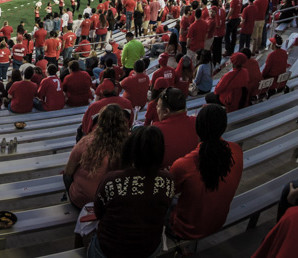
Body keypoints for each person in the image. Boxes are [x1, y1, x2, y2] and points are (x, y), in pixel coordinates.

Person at [90, 126, 175, 258]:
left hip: (109, 250)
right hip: (148, 249)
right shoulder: (168, 180)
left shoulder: (112, 180)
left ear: (130, 149)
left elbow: (98, 212)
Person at [167, 103, 243, 241]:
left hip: (185, 229)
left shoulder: (184, 165)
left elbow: (167, 193)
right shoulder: (237, 150)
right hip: (217, 221)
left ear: (197, 128)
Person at [63, 103, 129, 210]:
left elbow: (68, 171)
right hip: (112, 203)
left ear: (100, 121)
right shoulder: (130, 144)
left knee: (66, 175)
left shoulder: (86, 141)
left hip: (83, 200)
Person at [152, 87, 198, 169]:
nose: (156, 108)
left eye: (158, 106)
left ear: (166, 111)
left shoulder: (156, 130)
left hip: (168, 177)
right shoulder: (196, 122)